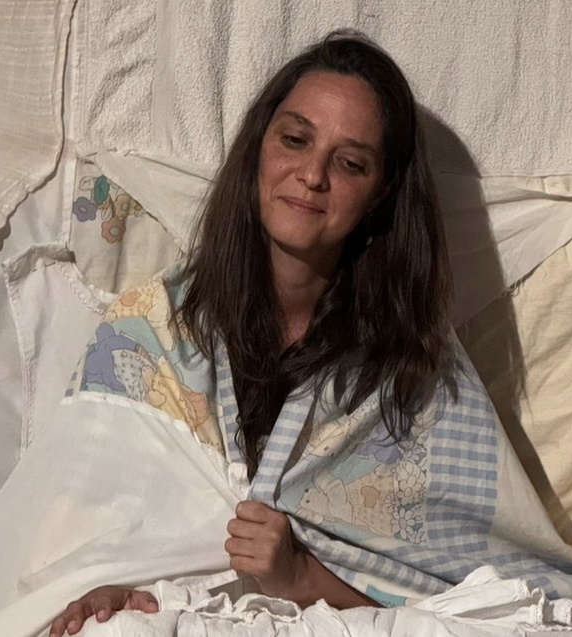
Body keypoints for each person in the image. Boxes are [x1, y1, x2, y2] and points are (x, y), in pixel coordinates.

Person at [49, 30, 451, 637]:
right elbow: (71, 536)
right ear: (259, 145)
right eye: (295, 139)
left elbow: (454, 601)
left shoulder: (409, 363)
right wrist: (109, 586)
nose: (312, 175)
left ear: (381, 193)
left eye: (350, 163)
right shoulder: (146, 332)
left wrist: (299, 575)